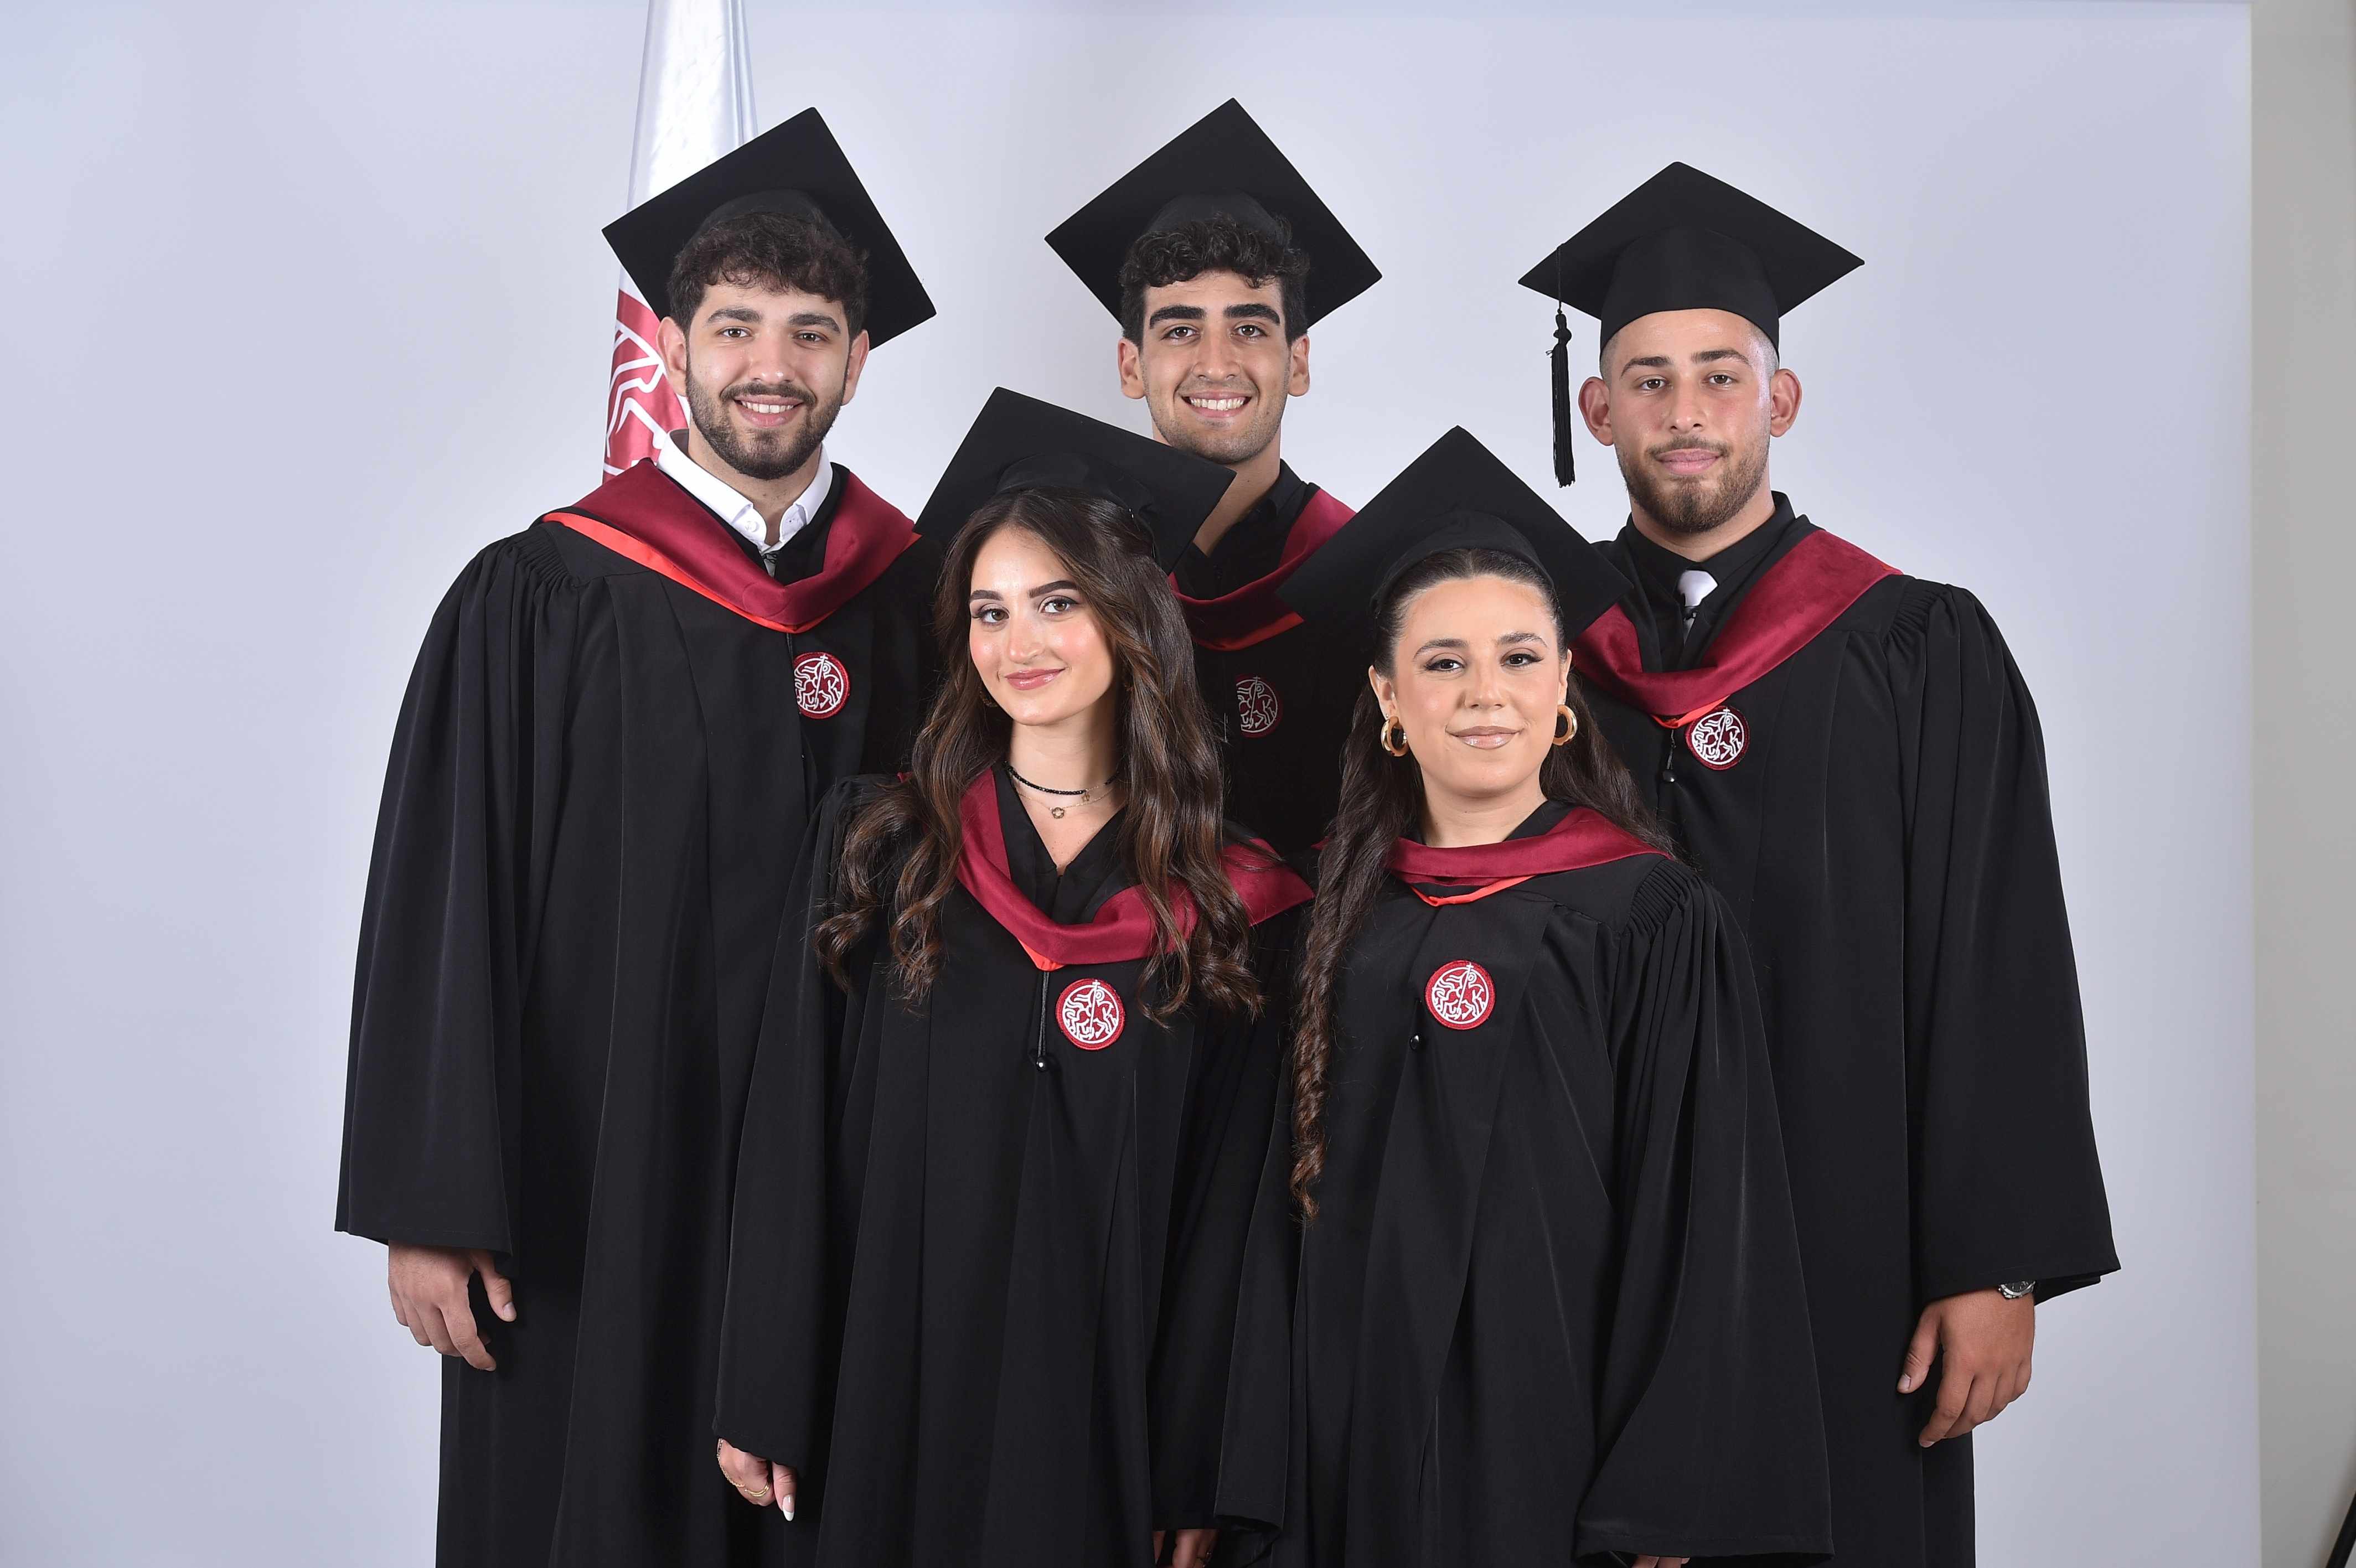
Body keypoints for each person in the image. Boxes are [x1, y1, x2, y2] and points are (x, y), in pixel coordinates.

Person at [335, 110, 941, 1567]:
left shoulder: (927, 604)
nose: (770, 366)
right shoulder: (542, 594)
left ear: (858, 360)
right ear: (669, 348)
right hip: (591, 1181)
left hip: (846, 1183)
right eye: (734, 328)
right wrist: (432, 1199)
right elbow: (453, 892)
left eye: (809, 332)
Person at [1520, 161, 2120, 1567]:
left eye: (1720, 377)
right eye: (1649, 380)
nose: (1685, 411)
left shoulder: (1914, 649)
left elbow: (1993, 951)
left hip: (1842, 1243)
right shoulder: (1527, 654)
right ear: (1596, 410)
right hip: (1586, 1231)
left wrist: (1995, 1262)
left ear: (1779, 400)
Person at [711, 390, 1311, 1568]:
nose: (1017, 642)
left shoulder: (1231, 902)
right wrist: (766, 1382)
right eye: (990, 610)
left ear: (1131, 615)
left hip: (1101, 1419)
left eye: (1057, 602)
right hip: (884, 1393)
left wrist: (1201, 1460)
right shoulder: (886, 846)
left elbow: (1225, 1221)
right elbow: (791, 1126)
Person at [1229, 426, 1831, 1567]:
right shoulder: (1323, 920)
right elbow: (1262, 1226)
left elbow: (1704, 1213)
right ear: (1387, 695)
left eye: (1517, 657)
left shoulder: (1650, 916)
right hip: (1340, 1438)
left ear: (1563, 686)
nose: (1484, 695)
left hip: (1555, 1441)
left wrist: (1666, 1488)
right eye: (1443, 663)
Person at [1048, 99, 1381, 851]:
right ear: (1132, 366)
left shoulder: (1372, 578)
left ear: (1298, 362)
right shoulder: (1076, 580)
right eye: (1180, 329)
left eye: (1250, 327)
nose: (1217, 363)